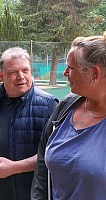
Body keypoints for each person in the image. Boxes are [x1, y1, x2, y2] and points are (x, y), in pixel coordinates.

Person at [0, 47, 58, 200]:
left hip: (29, 193)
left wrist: (14, 168)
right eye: (13, 72)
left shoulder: (49, 105)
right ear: (1, 75)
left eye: (25, 70)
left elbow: (53, 154)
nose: (21, 77)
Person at [31, 34, 106, 200]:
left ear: (94, 73)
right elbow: (43, 162)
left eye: (71, 68)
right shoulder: (66, 106)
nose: (65, 73)